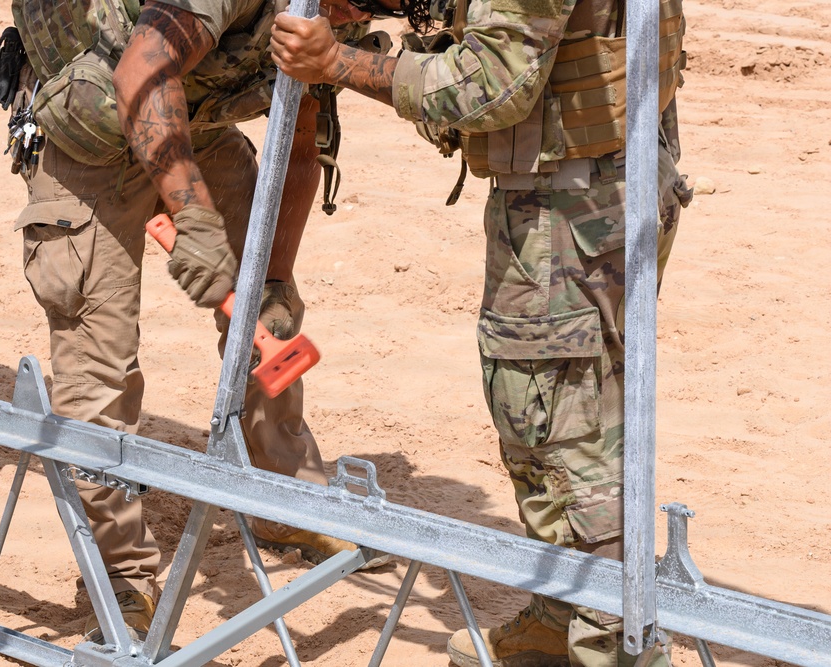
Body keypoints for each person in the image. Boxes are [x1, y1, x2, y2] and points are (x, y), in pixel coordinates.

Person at [269, 0, 692, 665]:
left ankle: (608, 644)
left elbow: (492, 84)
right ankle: (564, 617)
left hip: (569, 209)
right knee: (580, 411)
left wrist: (337, 62)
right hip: (609, 184)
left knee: (561, 432)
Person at [4, 0, 395, 643]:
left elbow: (297, 143)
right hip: (91, 135)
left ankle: (286, 499)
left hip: (196, 126)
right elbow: (139, 73)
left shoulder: (336, 18)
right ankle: (119, 572)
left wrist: (270, 281)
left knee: (272, 317)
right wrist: (195, 219)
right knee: (99, 361)